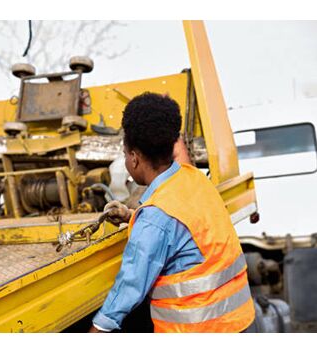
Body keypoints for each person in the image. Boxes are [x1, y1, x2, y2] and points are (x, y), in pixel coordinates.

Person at [89, 92, 255, 333]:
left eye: (125, 154)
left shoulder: (156, 218)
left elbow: (130, 286)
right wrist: (132, 216)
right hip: (239, 321)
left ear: (134, 158)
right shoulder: (194, 178)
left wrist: (96, 330)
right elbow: (179, 226)